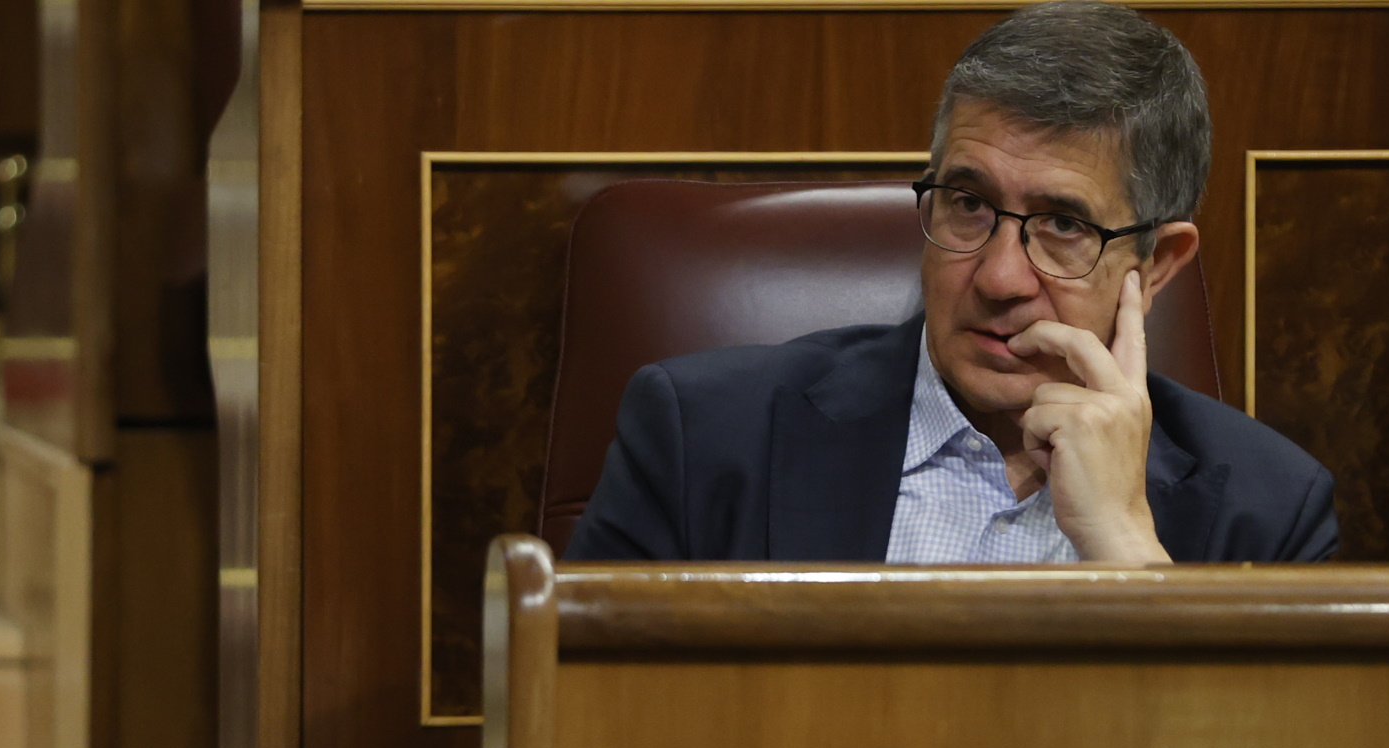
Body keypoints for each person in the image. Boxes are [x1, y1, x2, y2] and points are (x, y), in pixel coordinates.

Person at [564, 0, 1339, 564]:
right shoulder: (703, 438)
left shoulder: (1268, 514)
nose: (999, 277)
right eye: (968, 204)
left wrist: (1126, 542)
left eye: (1063, 224)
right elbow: (583, 727)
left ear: (1156, 263)